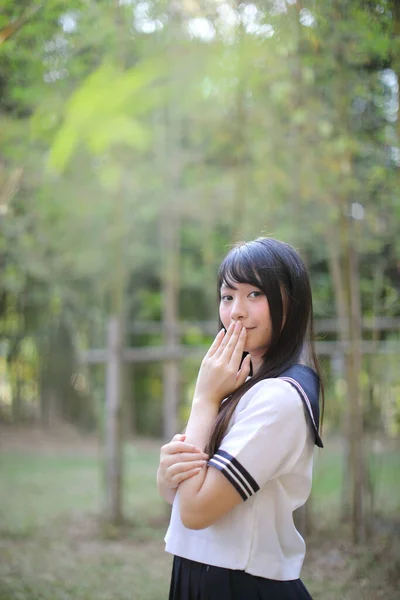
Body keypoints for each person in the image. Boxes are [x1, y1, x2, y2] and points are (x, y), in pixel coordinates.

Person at [157, 237, 324, 600]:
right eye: (228, 295)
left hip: (241, 583)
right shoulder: (242, 384)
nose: (236, 311)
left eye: (255, 294)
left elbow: (197, 510)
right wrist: (168, 473)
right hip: (200, 573)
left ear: (291, 303)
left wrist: (204, 398)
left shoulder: (280, 399)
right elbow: (182, 494)